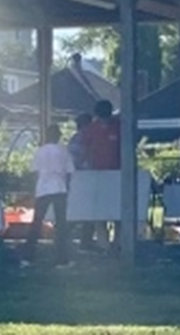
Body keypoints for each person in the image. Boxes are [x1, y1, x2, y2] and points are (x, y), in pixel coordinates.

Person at [20, 124, 75, 268]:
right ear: (58, 136)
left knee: (36, 222)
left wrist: (33, 190)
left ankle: (28, 256)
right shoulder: (64, 151)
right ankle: (61, 259)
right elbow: (69, 172)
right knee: (61, 225)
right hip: (59, 188)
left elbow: (34, 172)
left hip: (43, 188)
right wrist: (67, 188)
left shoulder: (40, 151)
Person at [80, 99, 121, 250]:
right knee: (99, 211)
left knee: (118, 211)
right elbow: (85, 151)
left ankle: (118, 243)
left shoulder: (118, 127)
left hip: (117, 176)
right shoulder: (91, 129)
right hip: (97, 175)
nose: (104, 120)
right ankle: (104, 245)